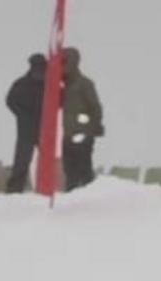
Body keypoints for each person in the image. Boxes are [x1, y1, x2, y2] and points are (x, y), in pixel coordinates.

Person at [61, 49, 104, 189]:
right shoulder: (63, 86)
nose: (63, 67)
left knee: (84, 170)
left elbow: (96, 108)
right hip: (68, 134)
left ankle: (89, 200)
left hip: (83, 133)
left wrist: (93, 127)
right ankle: (72, 201)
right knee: (69, 171)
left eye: (65, 62)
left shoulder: (85, 84)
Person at [6, 54, 47, 193]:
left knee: (47, 163)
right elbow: (10, 101)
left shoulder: (50, 85)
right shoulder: (21, 84)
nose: (40, 71)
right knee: (21, 163)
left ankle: (46, 189)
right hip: (26, 130)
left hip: (46, 130)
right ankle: (14, 191)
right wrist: (23, 115)